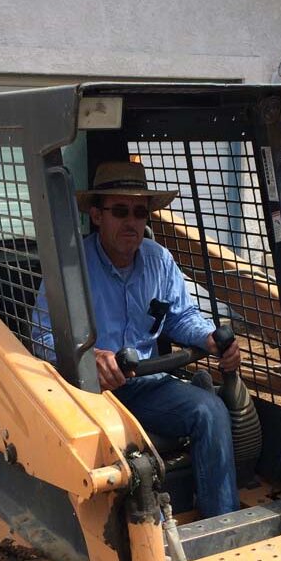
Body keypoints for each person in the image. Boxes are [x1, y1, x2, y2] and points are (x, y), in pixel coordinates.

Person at [32, 160, 241, 518]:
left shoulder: (159, 261)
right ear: (97, 216)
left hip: (145, 384)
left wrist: (208, 337)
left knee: (211, 411)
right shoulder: (72, 268)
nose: (131, 221)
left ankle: (221, 525)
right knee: (120, 448)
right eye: (120, 211)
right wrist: (89, 357)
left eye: (139, 212)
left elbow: (181, 316)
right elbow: (41, 336)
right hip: (89, 392)